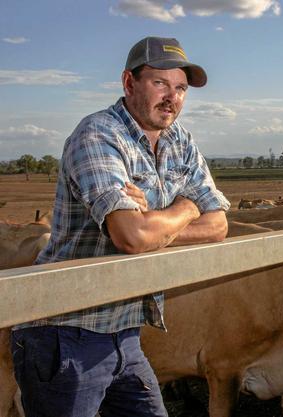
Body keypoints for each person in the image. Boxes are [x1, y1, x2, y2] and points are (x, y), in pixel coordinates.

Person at [11, 36, 229, 417]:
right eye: (160, 83)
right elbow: (131, 237)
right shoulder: (97, 135)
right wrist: (188, 207)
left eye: (180, 88)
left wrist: (158, 222)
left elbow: (219, 225)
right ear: (129, 83)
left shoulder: (181, 142)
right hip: (65, 330)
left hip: (125, 331)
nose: (172, 97)